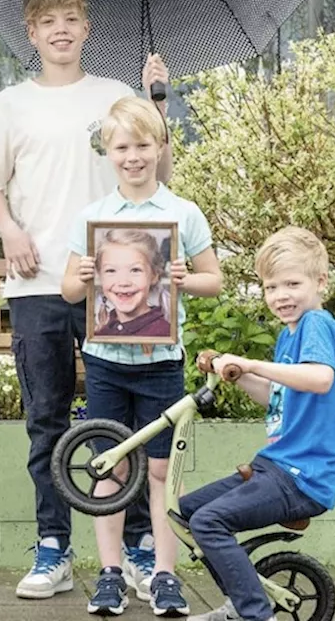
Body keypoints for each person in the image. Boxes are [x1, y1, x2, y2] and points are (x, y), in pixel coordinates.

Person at [0, 0, 171, 602]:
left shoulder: (115, 95)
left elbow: (157, 169)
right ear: (31, 35)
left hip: (116, 286)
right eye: (47, 22)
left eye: (71, 19)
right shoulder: (11, 103)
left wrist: (157, 104)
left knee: (127, 423)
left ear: (87, 28)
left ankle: (137, 549)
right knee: (46, 420)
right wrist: (8, 232)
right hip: (37, 281)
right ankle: (53, 546)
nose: (61, 29)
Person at [61, 95, 223, 616]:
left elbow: (213, 281)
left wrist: (185, 280)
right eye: (122, 146)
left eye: (143, 145)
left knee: (159, 474)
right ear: (107, 152)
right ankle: (109, 574)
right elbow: (67, 291)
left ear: (161, 147)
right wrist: (82, 278)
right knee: (108, 469)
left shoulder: (183, 213)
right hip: (106, 362)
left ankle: (164, 575)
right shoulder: (93, 217)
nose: (133, 156)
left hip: (162, 365)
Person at [182, 227, 335, 621]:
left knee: (210, 520)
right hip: (276, 465)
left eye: (292, 283)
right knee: (188, 511)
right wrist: (239, 375)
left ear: (320, 282)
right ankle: (241, 603)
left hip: (301, 475)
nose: (281, 296)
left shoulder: (316, 325)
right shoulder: (288, 337)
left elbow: (321, 378)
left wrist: (253, 363)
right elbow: (276, 397)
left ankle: (255, 614)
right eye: (271, 287)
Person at [91, 228, 173, 339]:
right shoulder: (102, 331)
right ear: (100, 276)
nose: (123, 282)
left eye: (135, 270)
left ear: (154, 275)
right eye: (111, 270)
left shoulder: (163, 333)